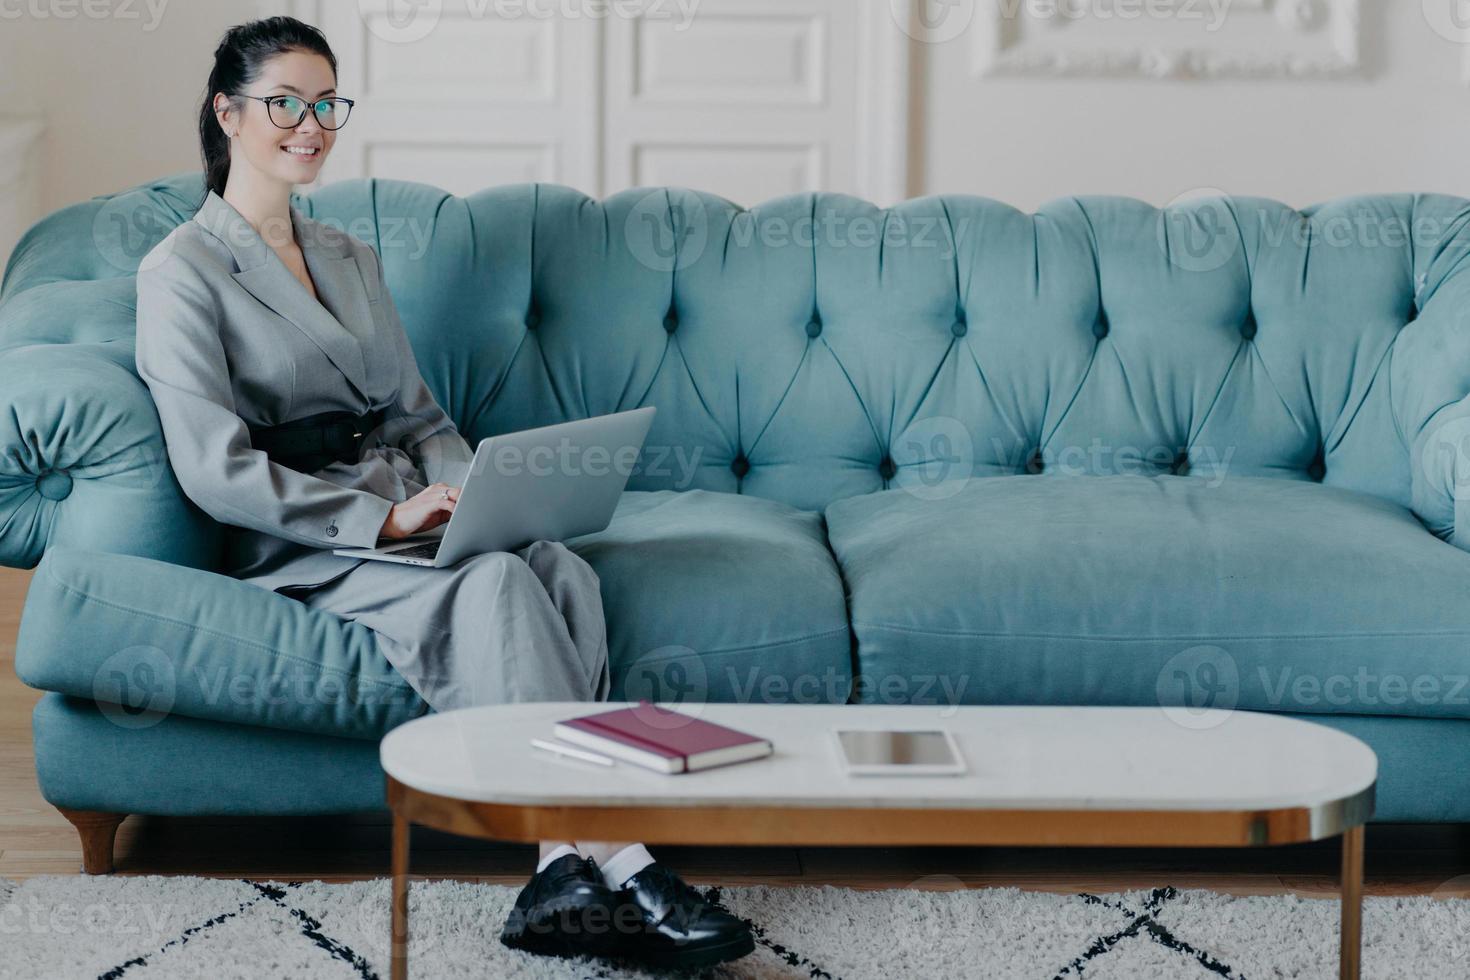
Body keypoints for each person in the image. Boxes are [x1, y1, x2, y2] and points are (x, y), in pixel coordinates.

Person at [131, 16, 753, 970]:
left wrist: (479, 493)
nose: (311, 124)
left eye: (326, 103)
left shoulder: (347, 255)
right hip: (299, 531)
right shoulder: (181, 272)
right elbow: (214, 467)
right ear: (228, 112)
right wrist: (381, 517)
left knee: (554, 565)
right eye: (285, 103)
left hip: (404, 501)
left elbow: (419, 419)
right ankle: (618, 860)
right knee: (496, 587)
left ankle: (567, 869)